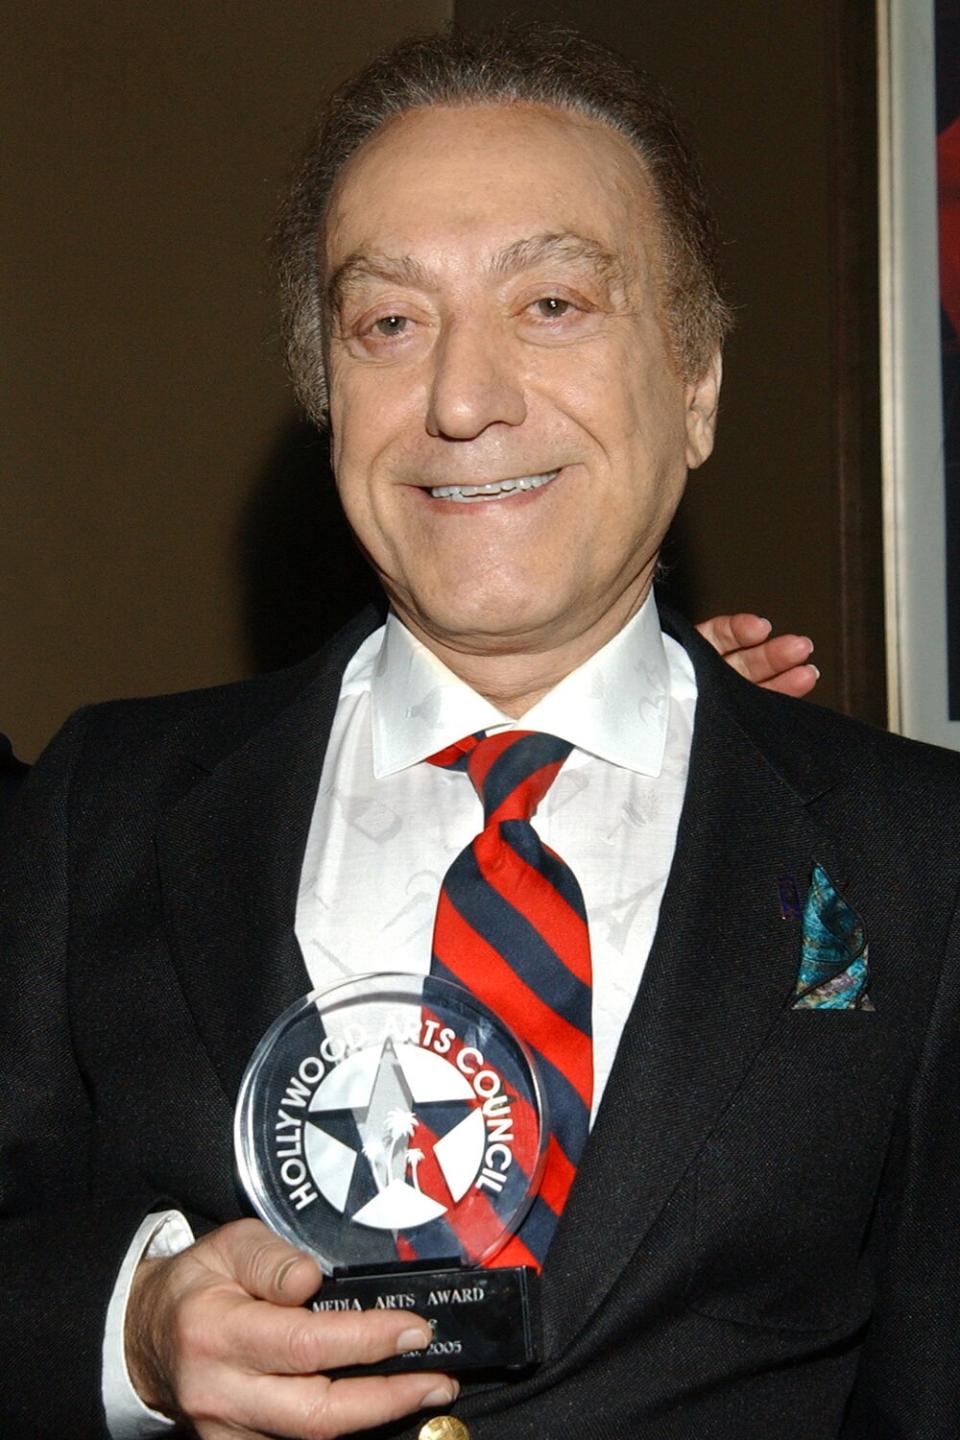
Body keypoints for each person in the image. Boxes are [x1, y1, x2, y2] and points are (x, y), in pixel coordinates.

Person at [2, 25, 956, 1440]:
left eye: (555, 302)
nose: (462, 398)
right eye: (390, 323)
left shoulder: (919, 858)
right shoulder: (104, 807)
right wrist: (132, 1332)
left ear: (695, 383)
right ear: (328, 395)